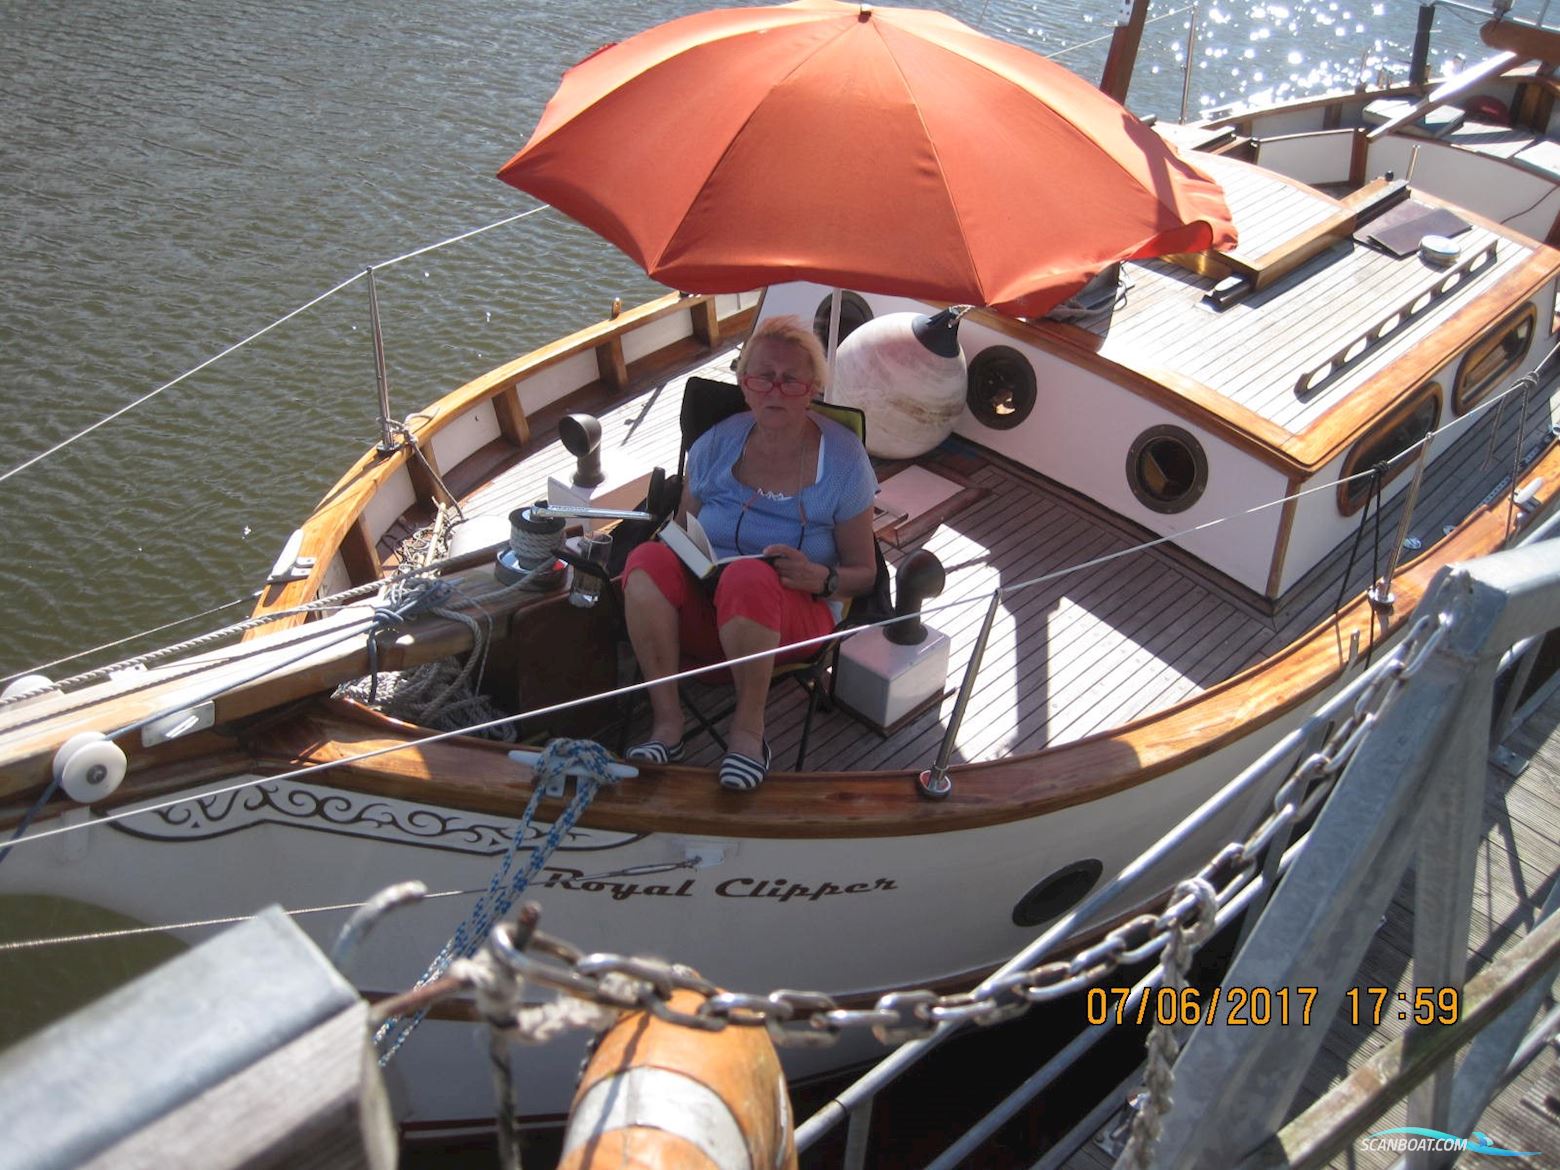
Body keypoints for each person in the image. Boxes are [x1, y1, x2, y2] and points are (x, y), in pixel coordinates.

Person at [622, 315, 879, 790]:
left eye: (791, 379)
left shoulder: (844, 462)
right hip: (707, 609)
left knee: (749, 579)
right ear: (744, 385)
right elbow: (680, 531)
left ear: (813, 388)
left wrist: (821, 578)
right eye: (762, 377)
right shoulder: (715, 445)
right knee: (646, 560)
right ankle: (667, 723)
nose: (775, 390)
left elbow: (865, 574)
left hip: (794, 620)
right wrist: (685, 556)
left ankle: (748, 734)